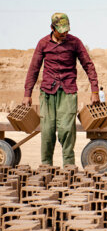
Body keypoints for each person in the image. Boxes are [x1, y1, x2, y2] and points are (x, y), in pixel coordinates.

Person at [22, 13, 100, 166]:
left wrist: (94, 90)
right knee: (47, 131)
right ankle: (46, 166)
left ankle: (68, 167)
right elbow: (34, 69)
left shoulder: (75, 43)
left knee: (67, 130)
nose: (65, 33)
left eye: (66, 30)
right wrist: (27, 94)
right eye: (61, 30)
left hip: (68, 91)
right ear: (52, 28)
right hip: (47, 93)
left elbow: (88, 65)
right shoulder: (43, 43)